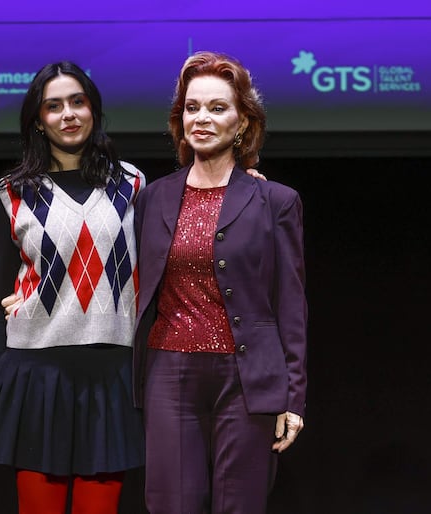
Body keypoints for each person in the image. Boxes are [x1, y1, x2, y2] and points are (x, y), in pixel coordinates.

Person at [132, 51, 308, 514]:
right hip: (170, 374)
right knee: (173, 505)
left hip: (246, 379)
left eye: (217, 108)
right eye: (192, 108)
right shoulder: (152, 199)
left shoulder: (275, 200)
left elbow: (289, 304)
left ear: (243, 122)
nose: (202, 119)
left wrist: (294, 395)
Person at [0, 61, 147, 514]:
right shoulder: (12, 193)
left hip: (113, 376)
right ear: (38, 119)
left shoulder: (132, 184)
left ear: (93, 109)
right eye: (54, 106)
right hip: (36, 375)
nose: (68, 114)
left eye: (77, 102)